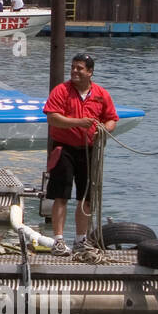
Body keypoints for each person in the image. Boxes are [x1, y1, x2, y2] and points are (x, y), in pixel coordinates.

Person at [43, 53, 119, 256]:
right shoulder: (61, 90)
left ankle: (80, 239)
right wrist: (79, 122)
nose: (75, 71)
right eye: (73, 67)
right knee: (61, 195)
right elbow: (53, 118)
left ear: (90, 72)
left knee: (86, 197)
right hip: (64, 148)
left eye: (80, 68)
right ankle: (58, 240)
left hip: (90, 150)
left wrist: (104, 129)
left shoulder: (101, 94)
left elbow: (112, 118)